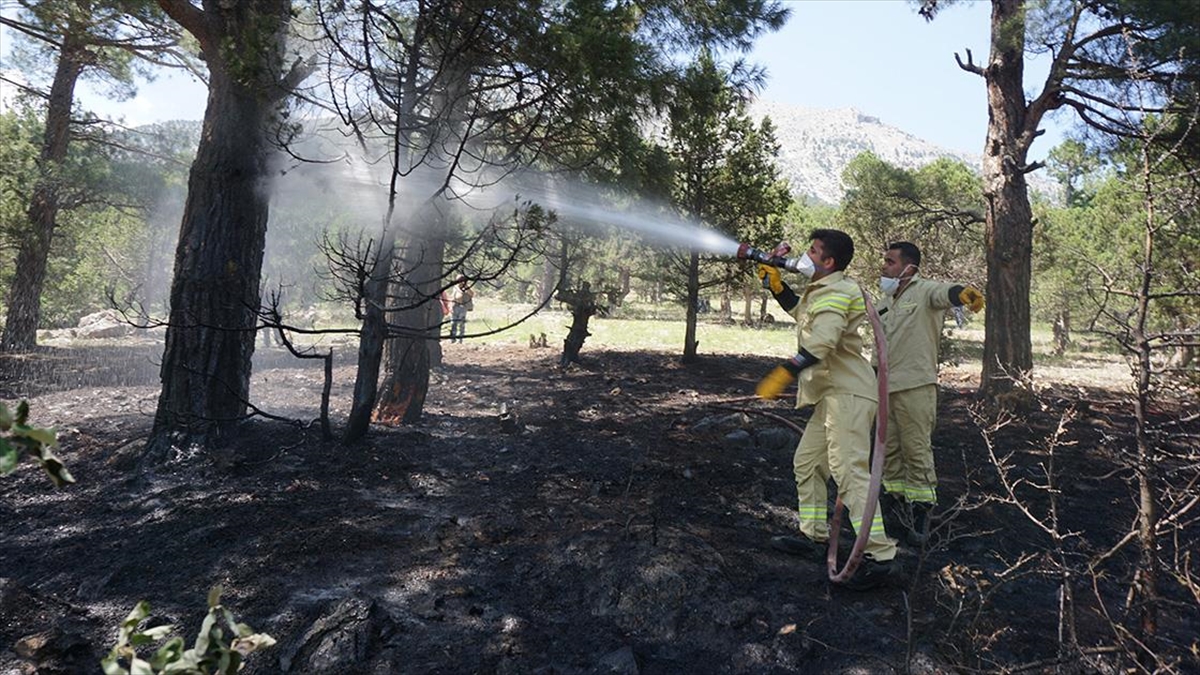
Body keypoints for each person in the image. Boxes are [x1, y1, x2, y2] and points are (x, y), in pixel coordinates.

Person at [756, 229, 899, 591]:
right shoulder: (823, 290)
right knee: (807, 462)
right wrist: (777, 287)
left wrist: (784, 372)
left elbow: (822, 340)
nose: (806, 254)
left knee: (848, 472)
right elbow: (803, 315)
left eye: (813, 250)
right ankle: (814, 536)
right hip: (832, 395)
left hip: (849, 394)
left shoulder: (839, 291)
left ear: (828, 261)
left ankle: (881, 556)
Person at [876, 241, 984, 546]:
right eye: (884, 261)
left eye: (890, 262)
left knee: (916, 450)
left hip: (915, 386)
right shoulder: (885, 300)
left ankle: (922, 516)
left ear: (909, 267)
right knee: (890, 452)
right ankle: (896, 513)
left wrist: (963, 293)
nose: (884, 266)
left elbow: (947, 292)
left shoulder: (925, 291)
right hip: (885, 387)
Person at [448, 276, 474, 343]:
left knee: (461, 323)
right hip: (455, 306)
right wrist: (450, 306)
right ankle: (453, 339)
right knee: (453, 323)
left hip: (462, 307)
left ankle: (460, 339)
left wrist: (466, 287)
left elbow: (472, 294)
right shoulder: (455, 287)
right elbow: (452, 296)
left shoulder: (466, 288)